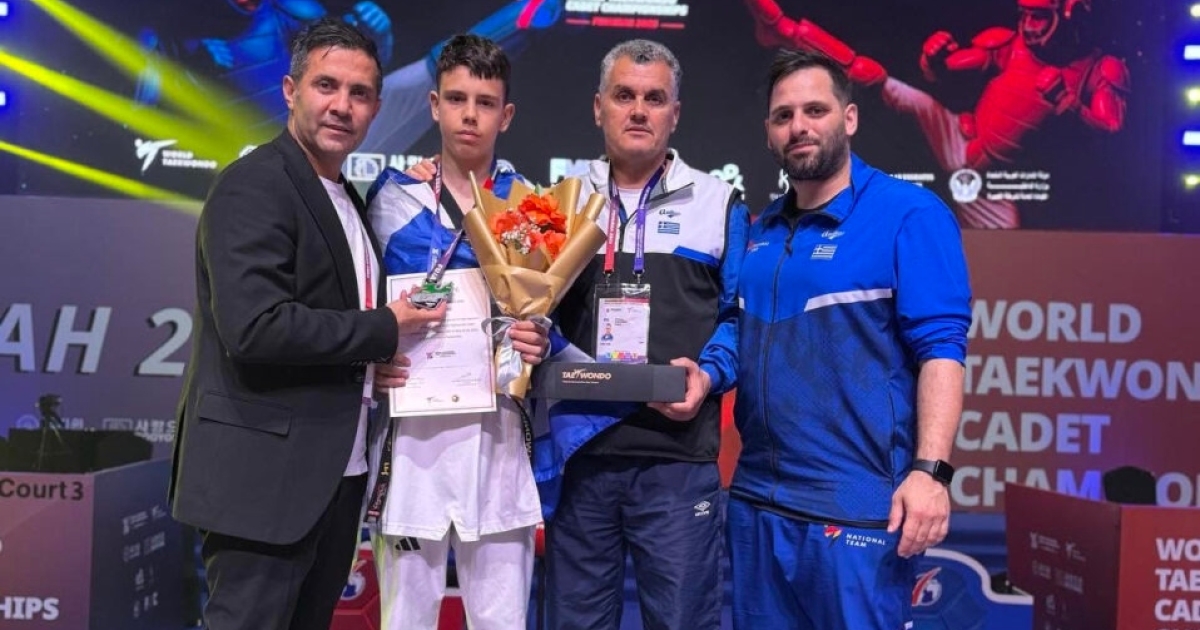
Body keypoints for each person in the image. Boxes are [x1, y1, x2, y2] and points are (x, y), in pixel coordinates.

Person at [666, 48, 972, 629]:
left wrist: (931, 473)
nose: (799, 126)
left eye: (815, 110)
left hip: (857, 508)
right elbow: (739, 332)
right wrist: (705, 374)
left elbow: (942, 351)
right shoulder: (760, 230)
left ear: (849, 118)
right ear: (768, 132)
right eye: (783, 116)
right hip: (757, 502)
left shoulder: (908, 214)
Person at [169, 18, 445, 630]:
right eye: (327, 86)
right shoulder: (255, 185)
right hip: (263, 481)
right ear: (291, 90)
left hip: (333, 477)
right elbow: (255, 327)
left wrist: (372, 362)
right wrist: (383, 329)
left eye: (360, 93)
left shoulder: (344, 194)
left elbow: (329, 320)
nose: (342, 105)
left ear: (376, 108)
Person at [545, 39, 749, 630]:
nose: (638, 110)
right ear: (598, 107)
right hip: (579, 456)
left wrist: (709, 374)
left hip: (677, 461)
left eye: (654, 98)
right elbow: (527, 308)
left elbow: (740, 318)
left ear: (675, 113)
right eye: (624, 96)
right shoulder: (558, 202)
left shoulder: (719, 203)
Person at [364, 33, 548, 630]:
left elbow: (543, 308)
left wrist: (540, 339)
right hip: (411, 444)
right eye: (457, 99)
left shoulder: (532, 205)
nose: (470, 115)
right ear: (434, 105)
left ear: (506, 115)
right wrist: (372, 356)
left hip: (497, 439)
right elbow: (363, 306)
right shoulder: (392, 197)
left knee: (501, 621)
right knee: (405, 619)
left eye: (485, 102)